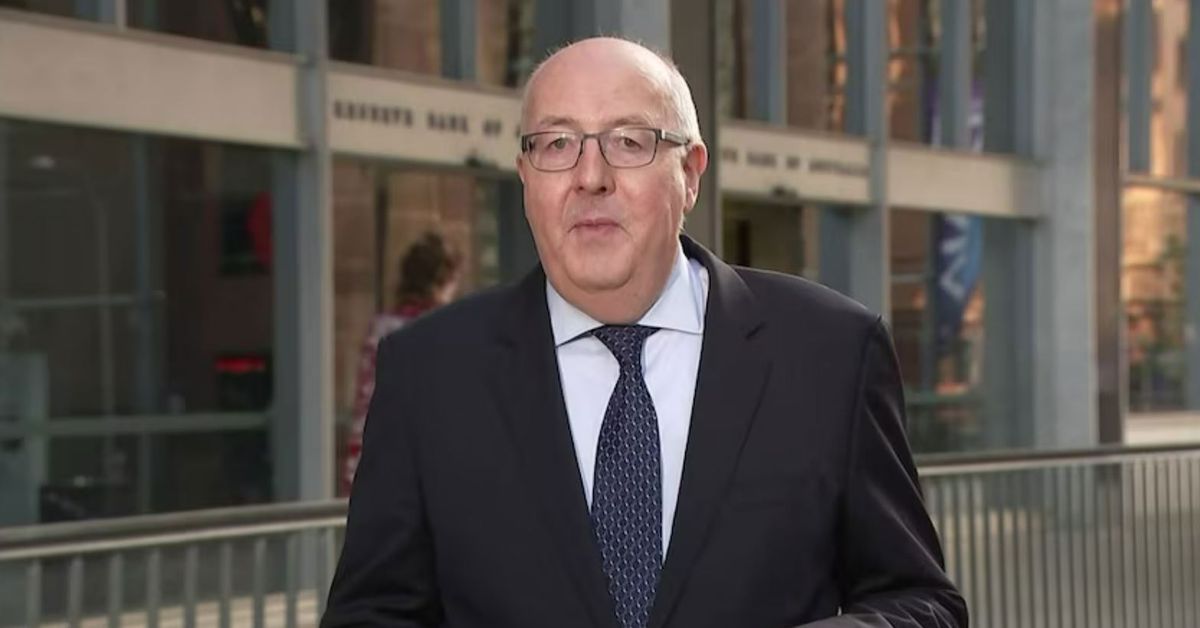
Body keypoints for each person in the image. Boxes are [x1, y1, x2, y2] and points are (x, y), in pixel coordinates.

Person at [323, 37, 967, 628]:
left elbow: (922, 603)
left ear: (690, 173)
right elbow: (371, 616)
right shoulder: (430, 375)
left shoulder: (829, 354)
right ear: (525, 178)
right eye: (557, 144)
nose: (590, 176)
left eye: (629, 142)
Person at [339, 231, 461, 496]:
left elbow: (366, 402)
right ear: (443, 282)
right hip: (423, 474)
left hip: (372, 466)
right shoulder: (442, 332)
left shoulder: (381, 328)